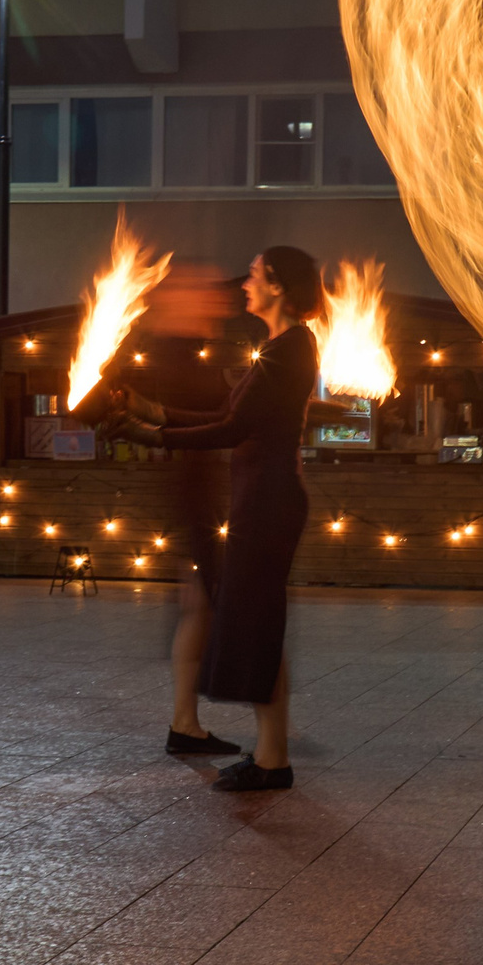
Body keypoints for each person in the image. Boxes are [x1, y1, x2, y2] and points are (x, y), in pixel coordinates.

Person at [107, 249, 322, 792]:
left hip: (270, 502)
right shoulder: (280, 347)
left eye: (253, 274)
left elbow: (231, 430)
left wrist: (148, 436)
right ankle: (271, 753)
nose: (244, 283)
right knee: (257, 627)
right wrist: (152, 412)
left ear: (277, 284)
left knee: (258, 626)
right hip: (260, 499)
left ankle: (274, 762)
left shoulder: (293, 345)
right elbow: (230, 417)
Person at [100, 264, 243, 758]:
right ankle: (188, 722)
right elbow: (207, 423)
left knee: (198, 608)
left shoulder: (190, 356)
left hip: (200, 498)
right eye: (205, 294)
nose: (220, 301)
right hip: (196, 499)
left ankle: (186, 722)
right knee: (202, 606)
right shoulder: (180, 357)